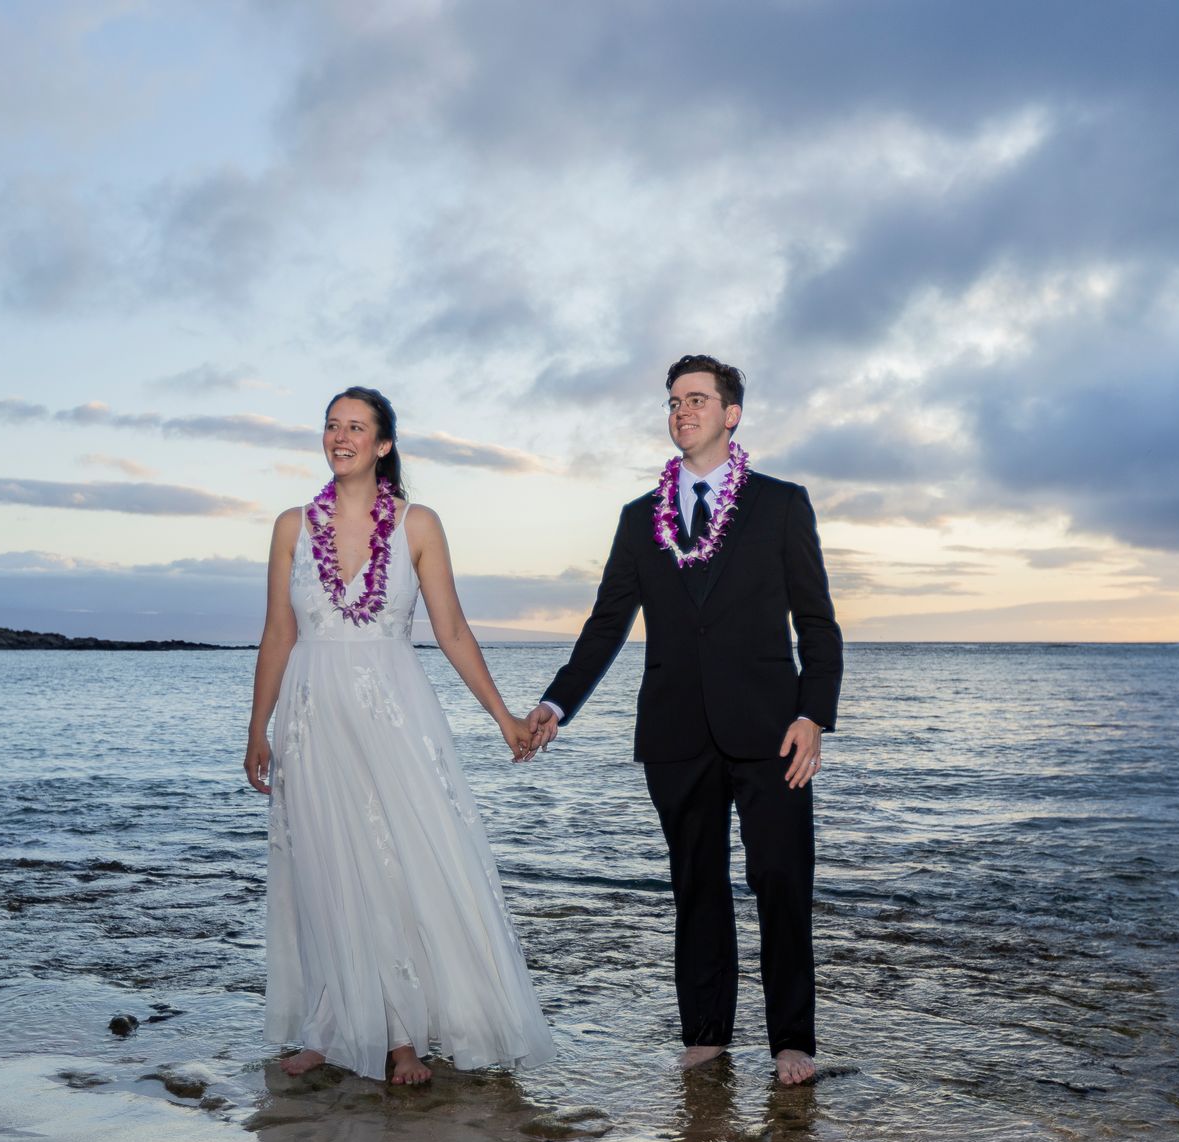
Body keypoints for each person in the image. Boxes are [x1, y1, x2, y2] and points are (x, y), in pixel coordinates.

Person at [527, 355, 842, 1086]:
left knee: (781, 881)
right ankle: (706, 1034)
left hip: (771, 730)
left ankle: (793, 1041)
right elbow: (605, 625)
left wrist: (813, 716)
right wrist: (555, 703)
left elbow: (818, 624)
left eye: (696, 400)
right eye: (673, 401)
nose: (681, 411)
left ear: (732, 414)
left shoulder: (782, 504)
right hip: (675, 733)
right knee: (695, 884)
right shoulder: (641, 521)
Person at [245, 386, 555, 1086]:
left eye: (356, 426)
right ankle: (332, 1025)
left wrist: (503, 717)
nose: (340, 435)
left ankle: (403, 1035)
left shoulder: (418, 524)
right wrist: (257, 729)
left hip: (393, 713)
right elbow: (277, 631)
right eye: (331, 425)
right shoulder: (292, 526)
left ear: (384, 444)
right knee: (325, 870)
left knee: (397, 862)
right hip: (312, 714)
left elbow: (450, 631)